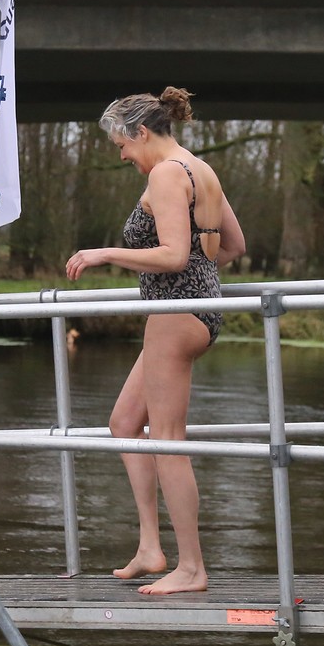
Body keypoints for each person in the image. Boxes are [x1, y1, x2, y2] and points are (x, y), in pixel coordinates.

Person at [66, 87, 245, 598]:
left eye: (122, 145)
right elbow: (234, 246)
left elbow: (172, 255)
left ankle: (191, 568)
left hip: (174, 313)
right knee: (125, 423)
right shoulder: (200, 169)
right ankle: (150, 548)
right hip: (196, 309)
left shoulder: (166, 174)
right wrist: (200, 279)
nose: (123, 155)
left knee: (167, 440)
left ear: (141, 132)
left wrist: (105, 254)